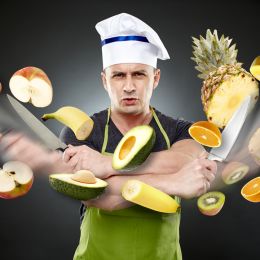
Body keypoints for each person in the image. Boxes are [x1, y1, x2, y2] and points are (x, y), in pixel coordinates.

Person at [0, 13, 217, 260]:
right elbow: (98, 197)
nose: (128, 86)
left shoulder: (179, 130)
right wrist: (172, 182)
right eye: (118, 75)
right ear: (105, 80)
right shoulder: (81, 130)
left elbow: (188, 162)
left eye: (138, 74)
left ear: (155, 78)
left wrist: (107, 165)